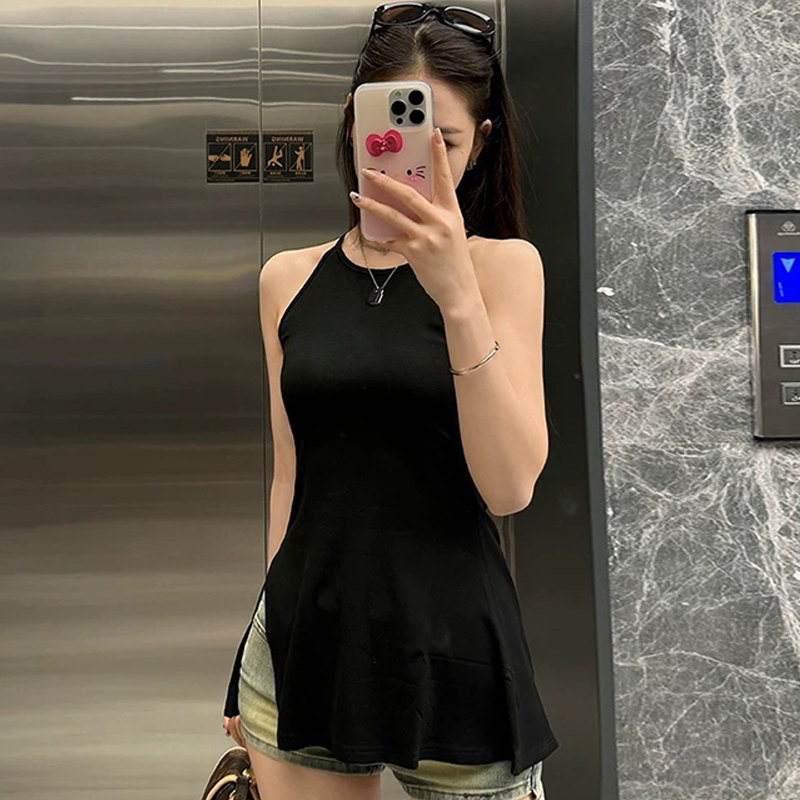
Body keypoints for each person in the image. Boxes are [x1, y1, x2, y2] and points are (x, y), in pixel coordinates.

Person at [221, 4, 558, 799]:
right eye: (398, 136)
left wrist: (455, 294)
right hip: (306, 643)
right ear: (354, 123)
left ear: (482, 146)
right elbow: (290, 478)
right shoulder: (286, 279)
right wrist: (259, 643)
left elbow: (509, 487)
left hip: (455, 655)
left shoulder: (505, 270)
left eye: (447, 143)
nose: (418, 163)